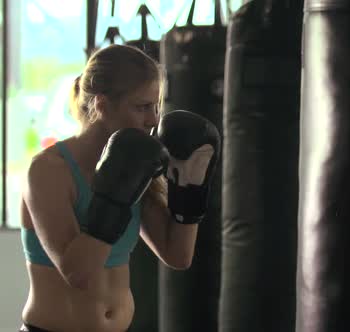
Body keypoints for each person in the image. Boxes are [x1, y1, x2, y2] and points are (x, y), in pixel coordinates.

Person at [19, 44, 219, 332]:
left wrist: (190, 187)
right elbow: (78, 273)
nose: (153, 119)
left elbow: (177, 256)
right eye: (141, 107)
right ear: (101, 105)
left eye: (156, 106)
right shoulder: (49, 171)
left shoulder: (137, 163)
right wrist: (115, 193)